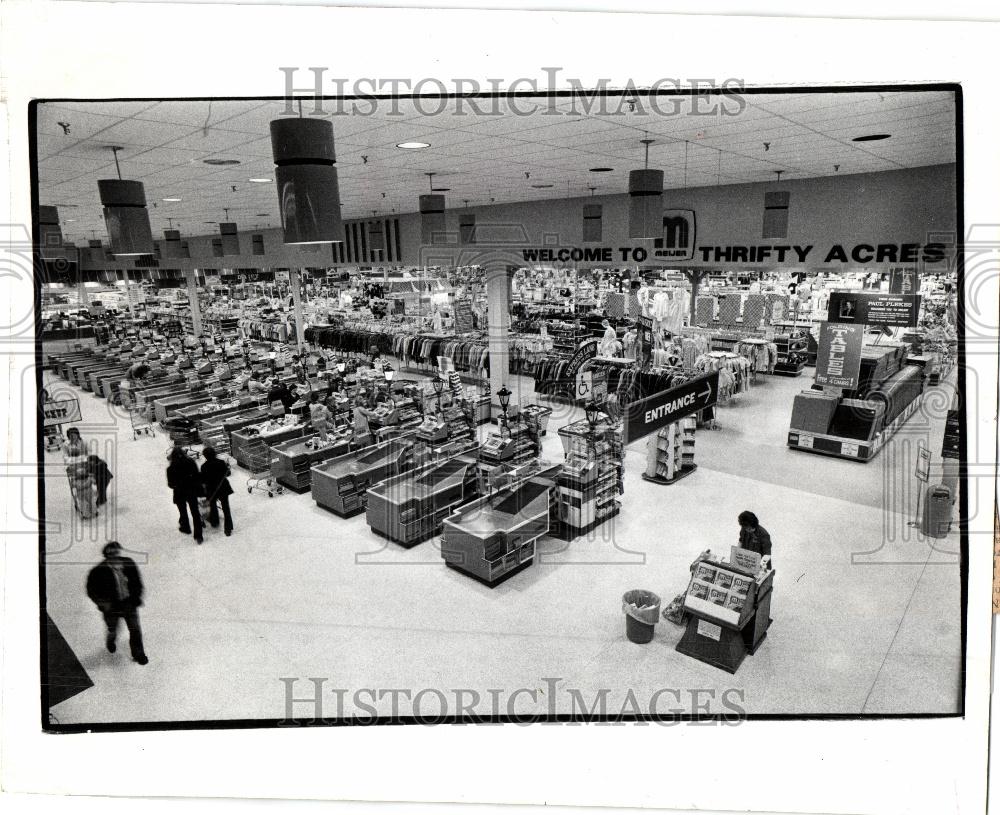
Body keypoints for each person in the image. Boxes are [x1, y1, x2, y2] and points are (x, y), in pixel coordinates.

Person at [86, 541, 148, 665]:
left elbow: (137, 581)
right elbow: (91, 590)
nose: (115, 556)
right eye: (111, 554)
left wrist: (137, 596)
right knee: (112, 628)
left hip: (129, 604)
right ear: (106, 556)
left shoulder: (128, 563)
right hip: (111, 607)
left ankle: (138, 654)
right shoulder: (98, 571)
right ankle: (111, 640)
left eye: (116, 552)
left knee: (135, 629)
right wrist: (102, 603)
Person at [166, 446, 204, 543]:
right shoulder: (191, 462)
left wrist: (177, 485)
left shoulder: (170, 468)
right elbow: (198, 476)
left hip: (179, 492)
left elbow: (170, 484)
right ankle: (198, 536)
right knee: (195, 512)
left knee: (183, 512)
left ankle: (186, 527)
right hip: (191, 490)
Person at [200, 446, 234, 537]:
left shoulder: (204, 467)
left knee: (213, 505)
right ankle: (228, 528)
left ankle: (215, 522)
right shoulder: (221, 463)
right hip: (223, 488)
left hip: (211, 490)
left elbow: (203, 480)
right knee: (226, 508)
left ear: (205, 456)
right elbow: (227, 474)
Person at [63, 427, 96, 518]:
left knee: (89, 482)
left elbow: (89, 454)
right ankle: (81, 505)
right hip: (73, 467)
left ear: (78, 435)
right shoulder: (66, 445)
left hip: (85, 465)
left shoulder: (84, 442)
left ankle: (92, 503)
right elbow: (65, 457)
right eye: (71, 436)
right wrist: (77, 459)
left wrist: (80, 459)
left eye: (74, 436)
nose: (73, 438)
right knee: (77, 484)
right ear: (68, 437)